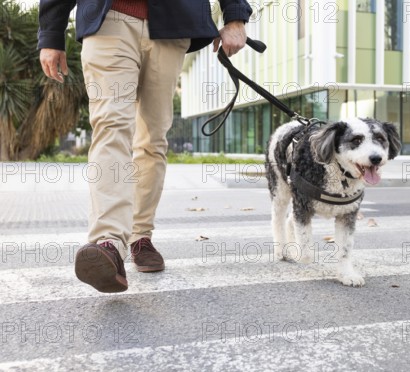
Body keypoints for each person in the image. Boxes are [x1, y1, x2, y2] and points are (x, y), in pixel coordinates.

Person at [38, 0, 253, 293]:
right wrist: (51, 34)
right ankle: (109, 242)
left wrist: (235, 16)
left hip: (172, 23)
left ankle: (140, 236)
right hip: (108, 19)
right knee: (111, 128)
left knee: (153, 139)